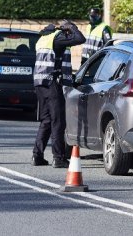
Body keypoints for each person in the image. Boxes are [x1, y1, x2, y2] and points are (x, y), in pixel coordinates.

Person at [32, 20, 85, 168]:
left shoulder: (43, 38)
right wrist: (72, 27)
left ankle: (37, 155)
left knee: (47, 120)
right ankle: (59, 157)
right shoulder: (58, 37)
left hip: (40, 83)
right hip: (51, 83)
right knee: (58, 121)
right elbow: (80, 39)